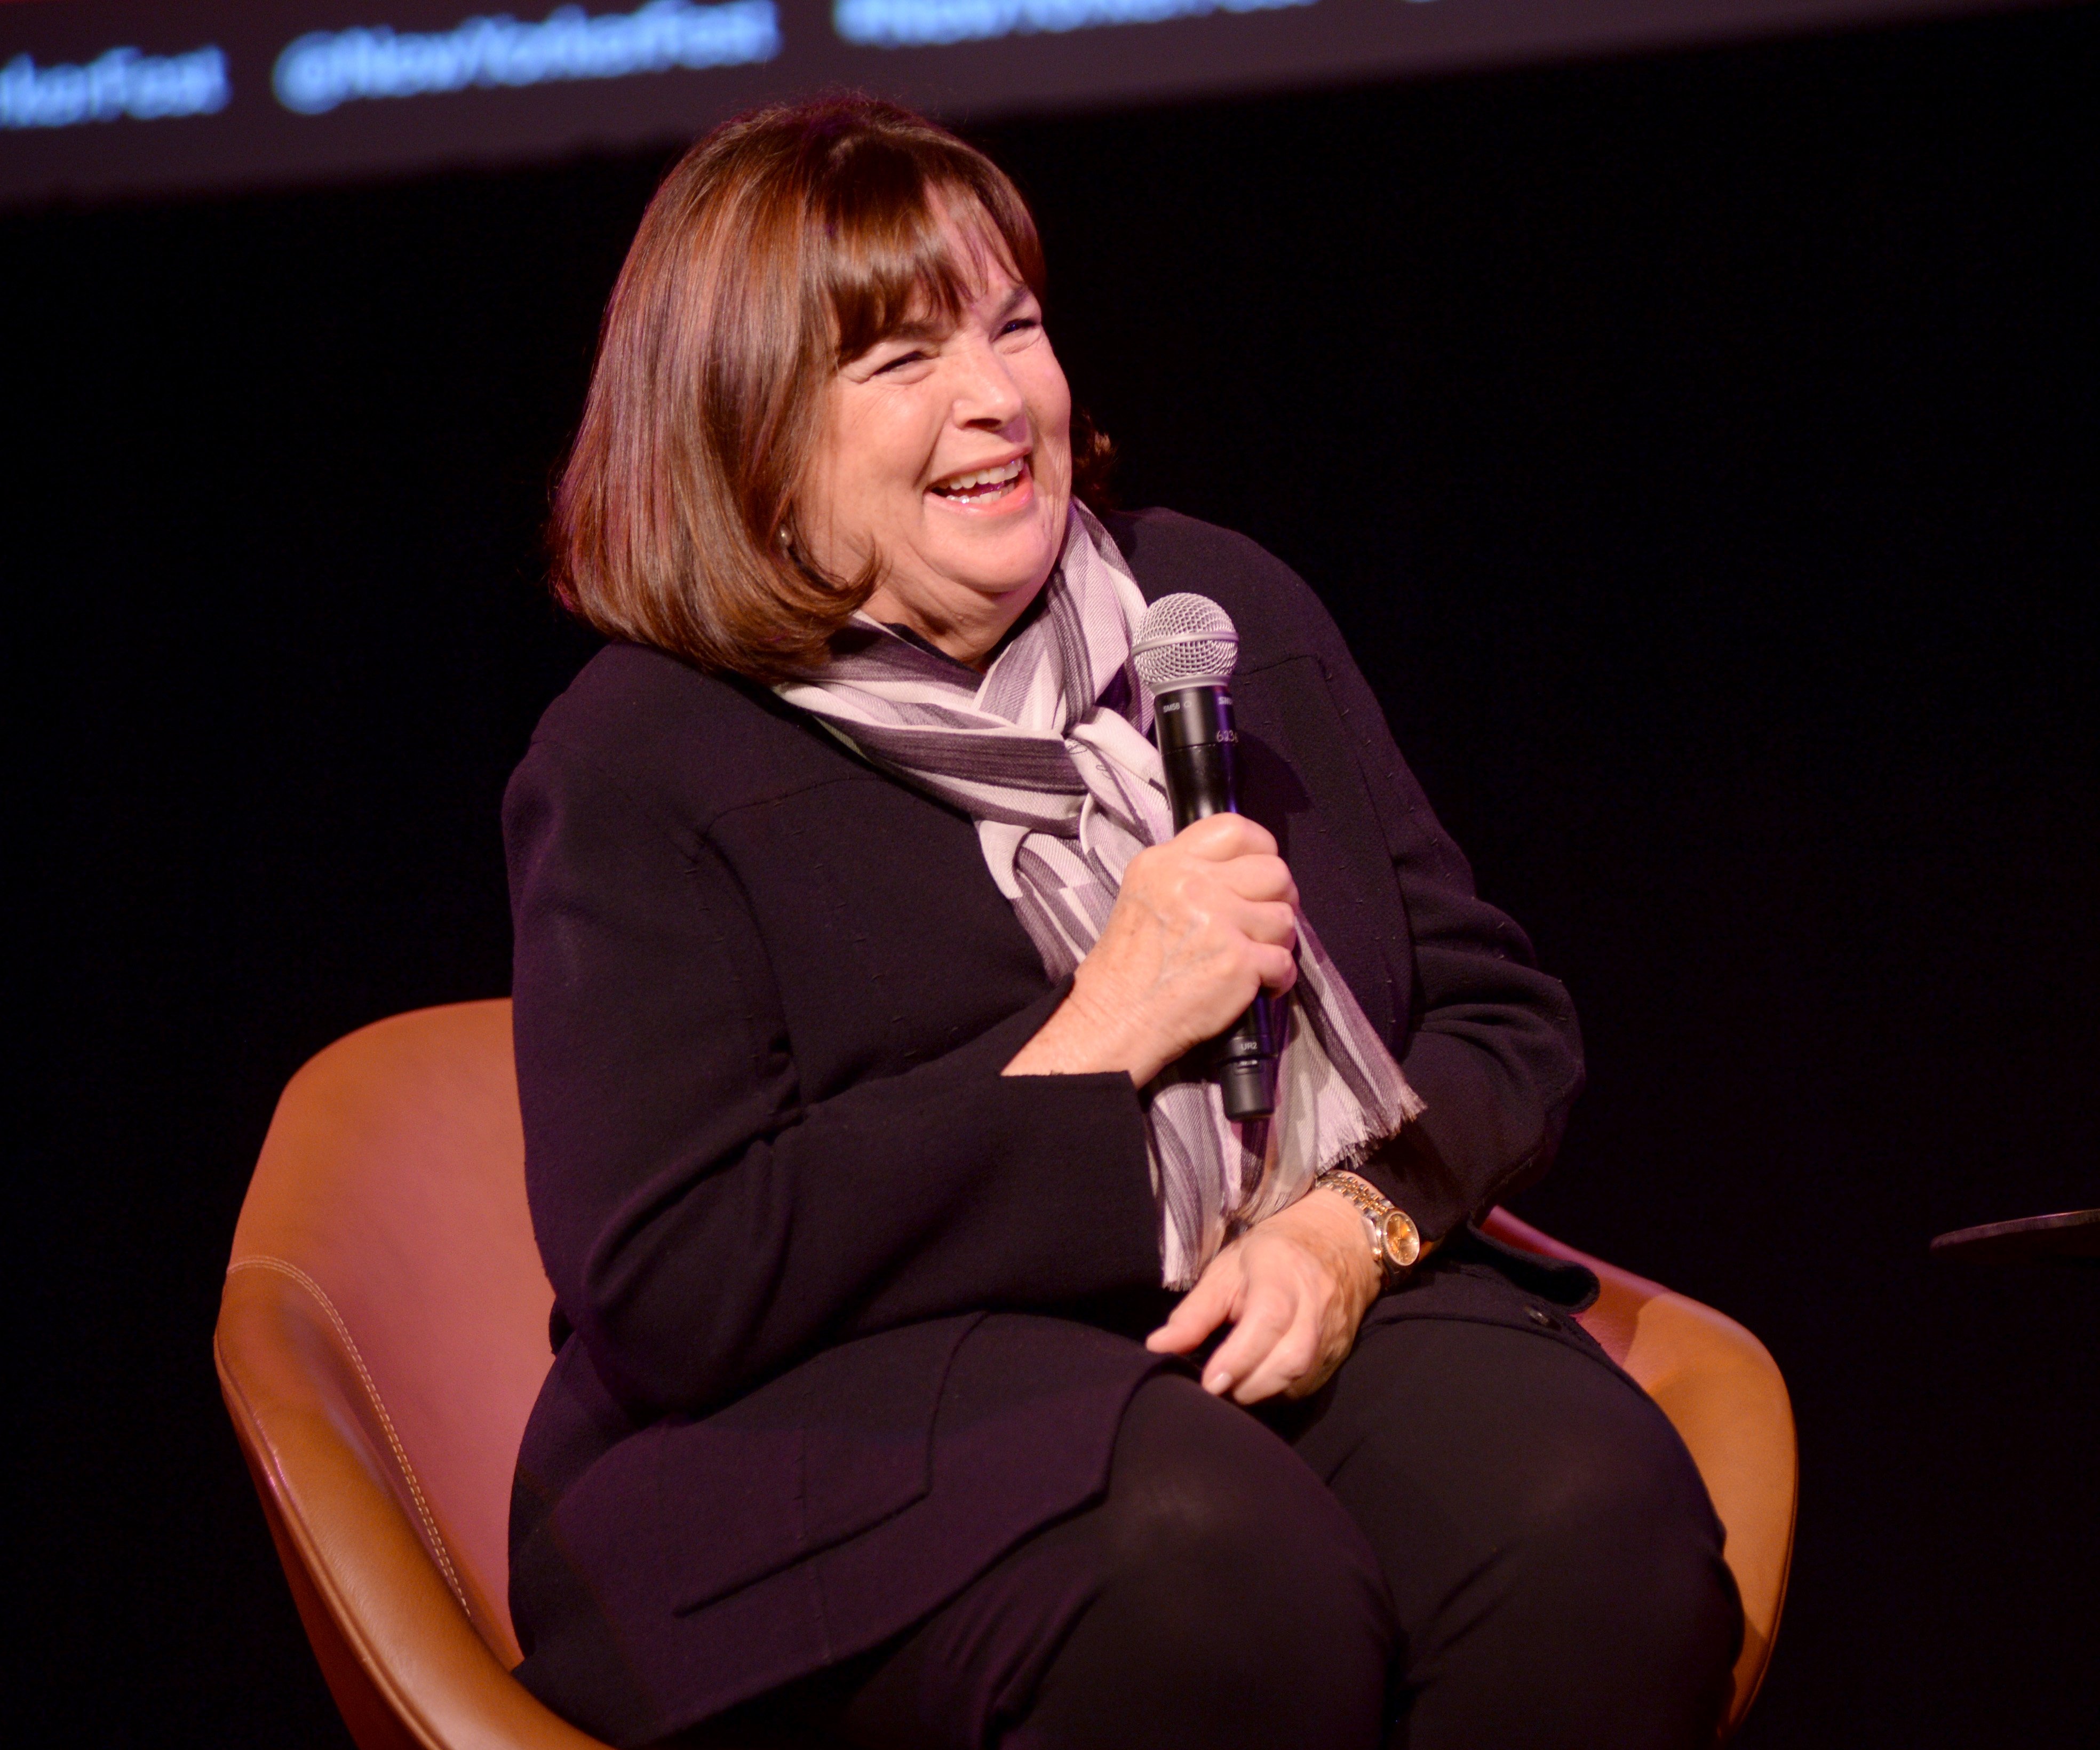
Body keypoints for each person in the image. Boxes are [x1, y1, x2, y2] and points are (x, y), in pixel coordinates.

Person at [502, 97, 1740, 1750]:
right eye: (900, 364)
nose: (998, 399)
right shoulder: (644, 753)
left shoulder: (1209, 612)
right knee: (1211, 1576)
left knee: (1596, 1527)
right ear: (747, 433)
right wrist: (1099, 1035)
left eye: (1012, 325)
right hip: (834, 1413)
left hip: (1257, 1311)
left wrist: (1342, 1235)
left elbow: (1497, 1023)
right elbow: (676, 1277)